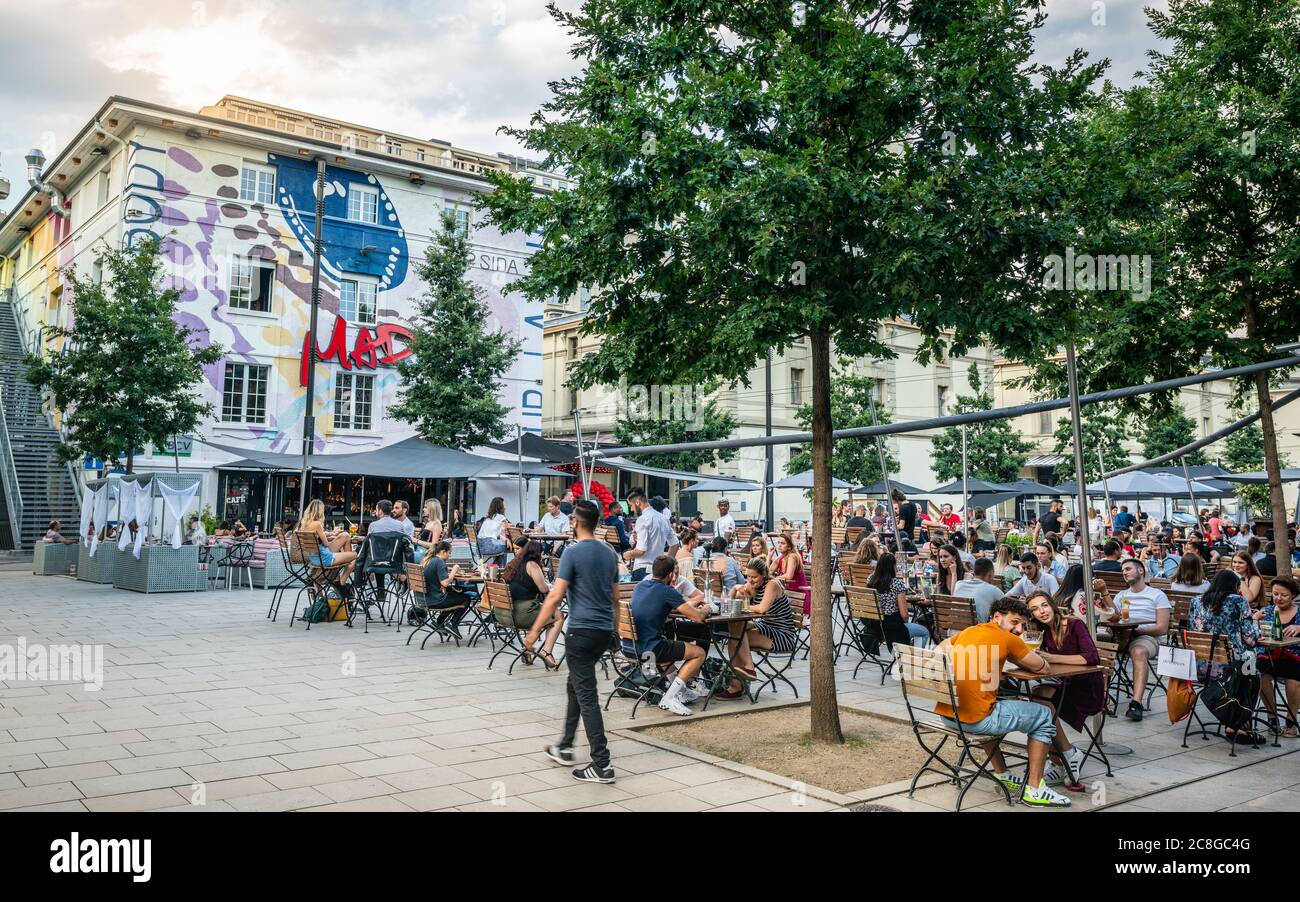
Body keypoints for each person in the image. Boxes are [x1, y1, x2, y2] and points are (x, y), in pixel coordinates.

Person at [933, 597, 1071, 807]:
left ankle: (1003, 773)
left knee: (990, 701)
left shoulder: (970, 631)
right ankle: (1035, 789)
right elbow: (1042, 668)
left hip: (948, 716)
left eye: (1023, 625)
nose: (1018, 629)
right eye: (1015, 622)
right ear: (997, 617)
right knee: (1044, 714)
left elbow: (940, 650)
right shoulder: (1008, 640)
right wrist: (1018, 655)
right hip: (976, 721)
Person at [531, 499, 620, 784]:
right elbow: (616, 600)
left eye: (571, 520)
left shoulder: (572, 552)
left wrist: (535, 631)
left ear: (576, 523)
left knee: (587, 696)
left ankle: (602, 764)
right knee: (576, 686)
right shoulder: (609, 553)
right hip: (603, 630)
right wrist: (614, 632)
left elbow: (555, 596)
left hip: (581, 631)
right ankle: (566, 746)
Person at [1024, 591, 1105, 784]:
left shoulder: (1074, 624)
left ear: (1051, 604)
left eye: (1044, 605)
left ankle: (1066, 756)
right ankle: (1061, 759)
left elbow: (1092, 657)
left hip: (1086, 687)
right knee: (1038, 698)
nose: (1041, 611)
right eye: (1035, 609)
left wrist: (1053, 658)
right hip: (1065, 683)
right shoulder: (1042, 631)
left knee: (1042, 700)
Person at [630, 554, 710, 716]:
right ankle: (670, 696)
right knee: (698, 653)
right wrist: (706, 609)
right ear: (670, 575)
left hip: (632, 646)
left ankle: (681, 691)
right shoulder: (667, 591)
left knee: (668, 651)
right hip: (651, 650)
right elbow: (697, 617)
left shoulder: (640, 586)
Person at [717, 558, 799, 699]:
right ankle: (737, 685)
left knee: (737, 634)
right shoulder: (751, 585)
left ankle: (748, 670)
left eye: (754, 577)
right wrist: (735, 590)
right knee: (734, 634)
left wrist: (741, 605)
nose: (750, 580)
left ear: (764, 575)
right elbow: (732, 601)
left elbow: (762, 609)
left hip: (782, 634)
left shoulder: (772, 585)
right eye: (748, 576)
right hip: (766, 627)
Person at [1108, 558, 1171, 721]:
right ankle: (1099, 698)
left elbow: (1162, 628)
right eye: (1123, 570)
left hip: (1147, 636)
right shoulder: (1121, 595)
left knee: (1138, 651)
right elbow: (1113, 618)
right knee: (1097, 647)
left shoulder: (1157, 595)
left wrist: (1136, 631)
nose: (1124, 573)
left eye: (1128, 569)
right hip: (1122, 636)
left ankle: (1136, 703)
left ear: (1141, 571)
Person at [498, 537, 564, 668]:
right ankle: (547, 651)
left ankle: (527, 649)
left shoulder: (514, 563)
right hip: (519, 614)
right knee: (558, 616)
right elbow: (543, 589)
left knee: (541, 613)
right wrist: (553, 586)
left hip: (503, 614)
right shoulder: (532, 565)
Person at [1253, 576, 1300, 737]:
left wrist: (1299, 628)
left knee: (1293, 681)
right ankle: (1272, 717)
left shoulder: (1299, 612)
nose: (1279, 598)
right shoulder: (1267, 612)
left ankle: (1291, 719)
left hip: (1294, 656)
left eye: (1284, 595)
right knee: (1260, 675)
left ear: (1293, 595)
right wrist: (1254, 621)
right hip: (1270, 654)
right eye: (1275, 594)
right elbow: (1257, 635)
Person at [299, 499, 358, 587]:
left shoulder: (303, 524)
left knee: (345, 536)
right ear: (319, 511)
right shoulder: (317, 524)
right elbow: (326, 544)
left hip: (313, 558)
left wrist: (331, 534)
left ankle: (345, 561)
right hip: (323, 558)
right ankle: (341, 583)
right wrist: (332, 536)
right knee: (354, 556)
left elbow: (318, 539)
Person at [420, 540, 475, 635]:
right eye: (449, 553)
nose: (450, 555)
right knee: (466, 599)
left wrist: (447, 569)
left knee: (457, 595)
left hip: (425, 599)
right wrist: (454, 569)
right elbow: (445, 583)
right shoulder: (439, 562)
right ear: (443, 552)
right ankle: (452, 624)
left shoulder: (430, 560)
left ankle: (439, 622)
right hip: (436, 600)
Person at [624, 487, 674, 580]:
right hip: (659, 571)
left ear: (637, 502)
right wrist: (666, 564)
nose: (631, 509)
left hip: (642, 570)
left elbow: (640, 551)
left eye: (631, 505)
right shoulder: (664, 518)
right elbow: (674, 545)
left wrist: (628, 554)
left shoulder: (642, 519)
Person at [953, 558, 1005, 623]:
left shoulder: (959, 584)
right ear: (991, 573)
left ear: (974, 572)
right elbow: (1009, 607)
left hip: (953, 632)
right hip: (976, 632)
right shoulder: (993, 590)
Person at [771, 533, 809, 612]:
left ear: (789, 546)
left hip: (798, 595)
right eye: (779, 543)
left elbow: (789, 576)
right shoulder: (781, 558)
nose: (780, 545)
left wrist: (775, 578)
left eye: (783, 543)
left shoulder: (792, 556)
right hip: (788, 593)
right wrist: (769, 557)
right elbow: (769, 572)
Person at [412, 499, 444, 564]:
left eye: (426, 507)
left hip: (424, 554)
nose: (423, 509)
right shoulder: (429, 522)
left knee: (402, 556)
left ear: (432, 509)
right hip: (420, 551)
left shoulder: (436, 524)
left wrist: (416, 541)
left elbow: (434, 545)